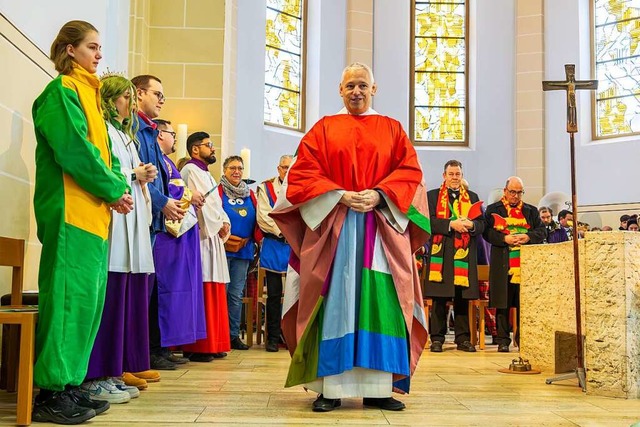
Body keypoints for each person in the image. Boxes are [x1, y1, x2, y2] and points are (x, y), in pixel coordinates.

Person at [271, 62, 430, 412]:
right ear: (339, 91)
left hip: (381, 228)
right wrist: (338, 194)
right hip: (336, 229)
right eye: (349, 86)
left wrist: (380, 194)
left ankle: (379, 387)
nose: (356, 91)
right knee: (336, 298)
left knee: (382, 302)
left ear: (374, 89)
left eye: (362, 85)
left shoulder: (392, 129)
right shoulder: (324, 129)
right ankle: (331, 388)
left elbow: (410, 173)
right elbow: (302, 174)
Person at [31, 20, 133, 424]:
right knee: (68, 303)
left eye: (99, 47)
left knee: (88, 304)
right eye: (91, 46)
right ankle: (50, 393)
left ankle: (72, 383)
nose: (99, 54)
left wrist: (116, 186)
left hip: (94, 215)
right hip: (71, 211)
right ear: (69, 50)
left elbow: (105, 154)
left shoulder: (91, 96)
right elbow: (74, 149)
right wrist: (114, 188)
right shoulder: (61, 93)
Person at [80, 74, 158, 403]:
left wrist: (140, 175)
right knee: (109, 301)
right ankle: (97, 374)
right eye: (126, 97)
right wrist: (133, 175)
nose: (130, 103)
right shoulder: (105, 130)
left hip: (132, 224)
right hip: (114, 225)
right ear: (112, 100)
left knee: (123, 300)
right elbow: (102, 171)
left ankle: (112, 371)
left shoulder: (125, 137)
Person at [131, 74, 186, 370]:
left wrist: (165, 203)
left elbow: (155, 178)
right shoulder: (137, 131)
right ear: (138, 93)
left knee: (148, 291)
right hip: (141, 217)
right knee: (141, 291)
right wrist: (164, 202)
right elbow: (140, 176)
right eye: (157, 94)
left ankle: (147, 352)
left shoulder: (147, 132)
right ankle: (142, 354)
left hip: (151, 220)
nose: (162, 100)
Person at [151, 119, 206, 365]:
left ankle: (163, 348)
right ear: (160, 134)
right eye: (172, 133)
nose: (175, 138)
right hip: (165, 236)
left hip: (178, 234)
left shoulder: (168, 162)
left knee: (172, 292)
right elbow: (165, 191)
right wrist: (189, 195)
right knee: (162, 291)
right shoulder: (157, 159)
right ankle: (154, 348)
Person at [180, 132, 232, 361]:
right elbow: (198, 206)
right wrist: (216, 223)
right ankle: (199, 346)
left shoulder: (206, 173)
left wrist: (224, 222)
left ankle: (215, 341)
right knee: (202, 287)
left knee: (215, 286)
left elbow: (215, 204)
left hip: (212, 237)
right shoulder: (190, 170)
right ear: (194, 149)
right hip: (200, 236)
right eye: (208, 145)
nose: (212, 148)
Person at [424, 160, 484, 353]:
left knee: (461, 297)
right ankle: (437, 339)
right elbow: (428, 222)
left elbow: (482, 225)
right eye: (451, 174)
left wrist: (472, 225)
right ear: (444, 176)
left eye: (458, 174)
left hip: (463, 256)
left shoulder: (472, 197)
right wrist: (451, 225)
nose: (455, 177)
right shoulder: (432, 196)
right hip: (441, 254)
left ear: (461, 175)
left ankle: (463, 339)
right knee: (440, 298)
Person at [483, 177, 545, 353]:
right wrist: (505, 238)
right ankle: (503, 340)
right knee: (502, 301)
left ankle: (523, 339)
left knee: (523, 303)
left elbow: (541, 232)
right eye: (512, 192)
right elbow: (486, 233)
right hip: (502, 261)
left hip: (524, 264)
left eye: (519, 192)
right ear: (505, 191)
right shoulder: (493, 209)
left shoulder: (531, 211)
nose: (515, 196)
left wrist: (528, 237)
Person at [219, 155, 260, 350]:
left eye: (240, 168)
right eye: (232, 168)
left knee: (235, 294)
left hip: (243, 250)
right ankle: (218, 335)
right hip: (222, 249)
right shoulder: (218, 191)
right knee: (221, 292)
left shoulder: (249, 193)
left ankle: (233, 335)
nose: (237, 171)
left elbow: (258, 217)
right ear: (224, 170)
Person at [256, 155, 293, 352]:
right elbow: (263, 217)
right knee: (273, 294)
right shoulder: (266, 188)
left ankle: (291, 336)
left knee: (297, 294)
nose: (287, 171)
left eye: (291, 168)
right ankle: (272, 337)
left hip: (297, 246)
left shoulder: (303, 186)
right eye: (284, 167)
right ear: (279, 168)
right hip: (275, 244)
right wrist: (286, 231)